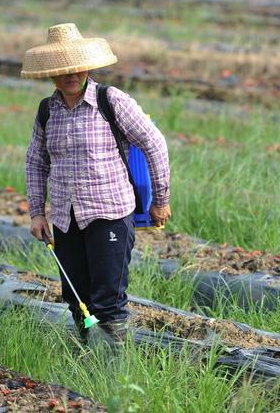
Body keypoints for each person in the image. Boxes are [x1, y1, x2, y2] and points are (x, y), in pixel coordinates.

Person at [21, 23, 171, 343]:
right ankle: (89, 351)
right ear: (52, 74)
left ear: (86, 67)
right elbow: (36, 161)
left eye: (76, 67)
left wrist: (161, 199)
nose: (71, 75)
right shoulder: (48, 110)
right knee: (78, 298)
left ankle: (110, 366)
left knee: (109, 301)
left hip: (109, 212)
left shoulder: (111, 101)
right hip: (65, 217)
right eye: (62, 70)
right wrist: (36, 212)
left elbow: (153, 143)